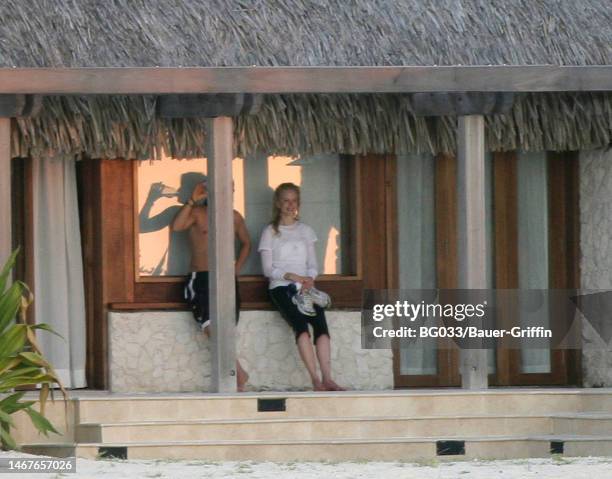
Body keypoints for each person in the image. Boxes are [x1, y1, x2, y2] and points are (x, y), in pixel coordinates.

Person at [258, 182, 344, 391]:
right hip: (281, 287)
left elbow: (314, 264)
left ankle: (328, 378)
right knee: (301, 328)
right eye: (286, 200)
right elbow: (268, 269)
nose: (290, 204)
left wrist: (309, 279)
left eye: (294, 200)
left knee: (321, 328)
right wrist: (291, 276)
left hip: (305, 287)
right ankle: (315, 379)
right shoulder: (270, 231)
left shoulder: (306, 230)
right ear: (278, 203)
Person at [171, 180, 251, 392]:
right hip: (201, 277)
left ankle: (234, 375)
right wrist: (191, 200)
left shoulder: (234, 217)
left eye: (230, 190)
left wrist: (237, 267)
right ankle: (238, 373)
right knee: (210, 327)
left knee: (226, 326)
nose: (226, 194)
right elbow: (177, 226)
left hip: (225, 277)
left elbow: (246, 243)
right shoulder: (198, 213)